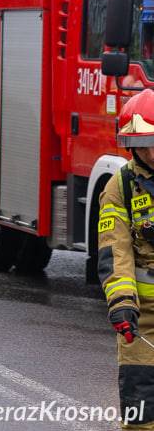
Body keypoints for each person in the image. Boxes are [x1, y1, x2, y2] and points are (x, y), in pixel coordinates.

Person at [97, 89, 154, 429]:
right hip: (143, 320)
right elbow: (114, 249)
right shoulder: (120, 187)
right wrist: (121, 305)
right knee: (141, 415)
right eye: (143, 144)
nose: (151, 152)